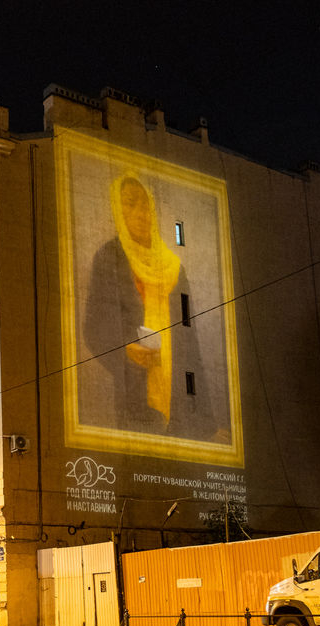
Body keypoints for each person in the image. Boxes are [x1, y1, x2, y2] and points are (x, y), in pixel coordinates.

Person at [82, 173, 220, 440]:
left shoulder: (173, 267)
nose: (140, 212)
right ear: (117, 211)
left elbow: (190, 345)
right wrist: (124, 350)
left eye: (145, 204)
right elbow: (93, 328)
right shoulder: (109, 257)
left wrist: (208, 424)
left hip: (179, 398)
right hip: (136, 396)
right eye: (130, 204)